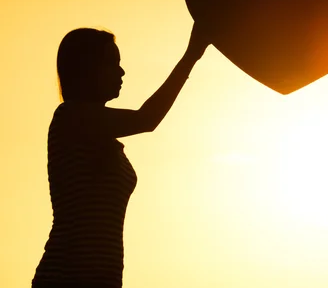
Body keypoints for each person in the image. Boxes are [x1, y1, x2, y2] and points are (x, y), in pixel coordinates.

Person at [32, 23, 210, 288]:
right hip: (66, 275)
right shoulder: (70, 117)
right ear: (87, 70)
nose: (121, 71)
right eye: (112, 63)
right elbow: (147, 119)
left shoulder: (100, 134)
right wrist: (191, 55)